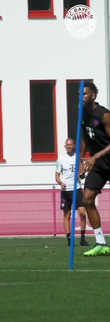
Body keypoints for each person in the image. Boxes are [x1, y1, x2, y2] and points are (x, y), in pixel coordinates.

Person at [79, 81, 110, 256]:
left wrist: (94, 157)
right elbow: (84, 140)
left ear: (93, 96)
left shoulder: (104, 115)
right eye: (79, 94)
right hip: (97, 165)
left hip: (105, 159)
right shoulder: (82, 114)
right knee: (87, 199)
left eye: (84, 94)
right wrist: (81, 163)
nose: (80, 97)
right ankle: (100, 243)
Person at [55, 138, 89, 246]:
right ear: (65, 146)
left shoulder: (78, 158)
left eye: (71, 145)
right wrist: (60, 183)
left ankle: (83, 238)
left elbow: (82, 174)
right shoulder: (60, 159)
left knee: (82, 212)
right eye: (67, 145)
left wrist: (82, 174)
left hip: (77, 189)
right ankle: (69, 239)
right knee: (67, 215)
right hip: (66, 191)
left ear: (74, 146)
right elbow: (57, 176)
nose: (69, 146)